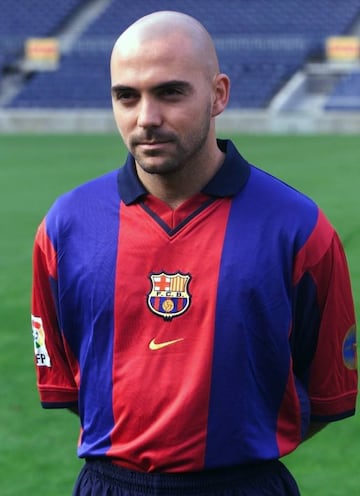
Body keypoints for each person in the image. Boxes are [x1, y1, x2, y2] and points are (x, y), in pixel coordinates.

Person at [31, 10, 357, 496]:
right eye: (127, 96)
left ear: (219, 94)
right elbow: (75, 384)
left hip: (246, 484)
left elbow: (327, 393)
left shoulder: (299, 228)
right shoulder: (65, 227)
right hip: (110, 485)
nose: (147, 118)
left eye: (171, 92)